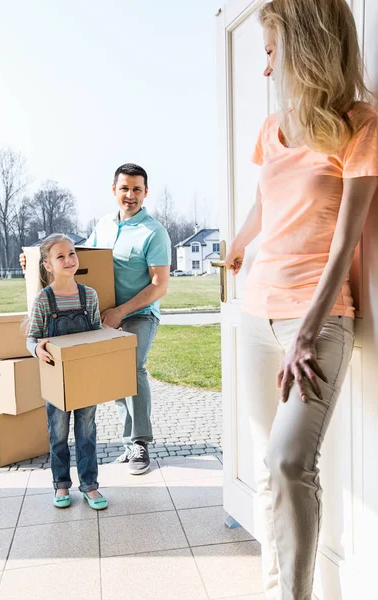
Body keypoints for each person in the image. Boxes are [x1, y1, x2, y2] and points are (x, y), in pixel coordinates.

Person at [225, 1, 378, 599]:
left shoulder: (360, 123)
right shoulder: (272, 128)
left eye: (270, 51)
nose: (266, 69)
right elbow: (267, 205)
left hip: (315, 319)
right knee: (270, 472)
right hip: (256, 313)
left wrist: (309, 330)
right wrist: (237, 247)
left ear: (306, 45)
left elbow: (347, 236)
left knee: (292, 463)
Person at [21, 163, 171, 475]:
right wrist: (34, 260)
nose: (130, 195)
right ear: (114, 190)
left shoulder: (154, 232)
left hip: (139, 315)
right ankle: (129, 445)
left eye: (137, 189)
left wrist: (120, 312)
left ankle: (140, 443)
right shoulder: (103, 225)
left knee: (132, 366)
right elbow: (77, 260)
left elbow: (159, 286)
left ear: (146, 192)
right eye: (124, 188)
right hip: (101, 315)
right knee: (113, 374)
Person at [27, 233, 108, 510]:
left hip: (84, 378)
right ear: (48, 265)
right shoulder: (43, 300)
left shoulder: (89, 295)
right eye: (60, 256)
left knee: (87, 432)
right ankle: (61, 484)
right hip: (57, 381)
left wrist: (111, 336)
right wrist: (37, 350)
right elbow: (32, 338)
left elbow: (96, 330)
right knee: (58, 433)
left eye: (71, 253)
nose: (69, 259)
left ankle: (90, 485)